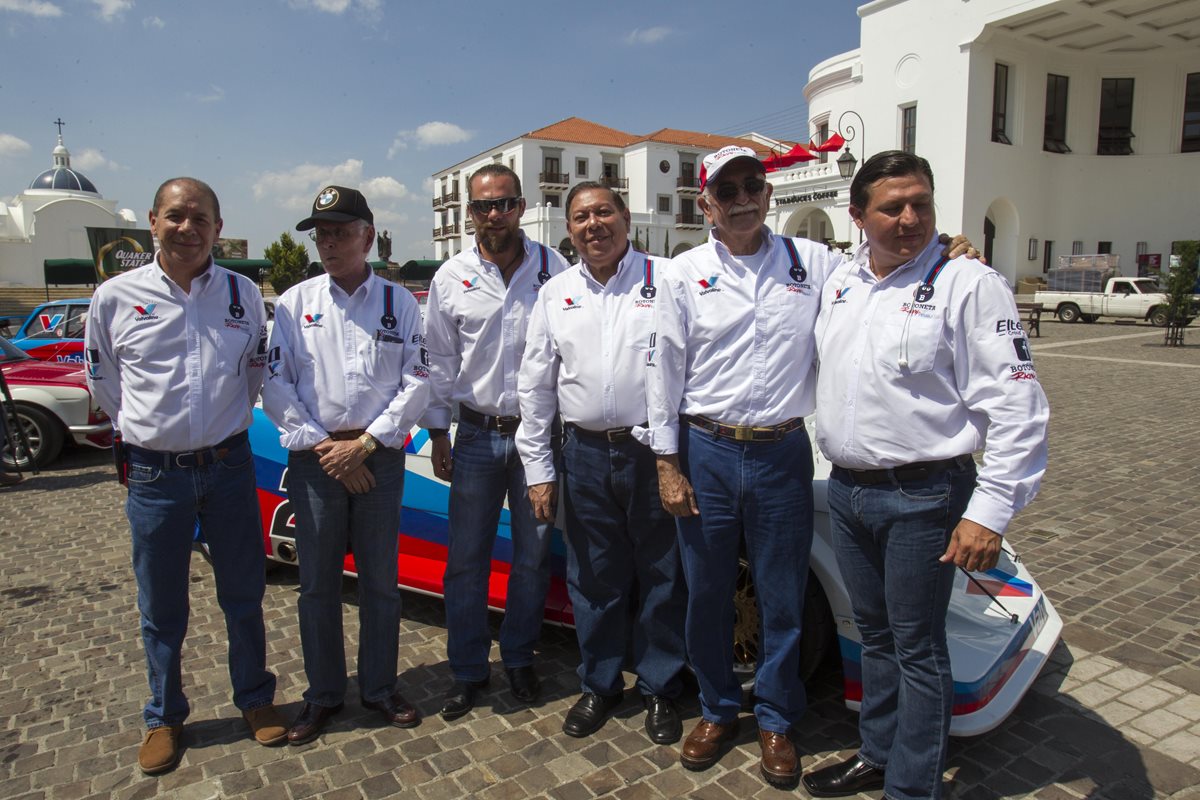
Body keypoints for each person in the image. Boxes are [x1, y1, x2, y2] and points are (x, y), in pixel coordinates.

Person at [802, 151, 1049, 800]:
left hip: (925, 496)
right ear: (857, 216)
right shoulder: (841, 282)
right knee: (875, 635)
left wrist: (987, 513)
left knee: (917, 648)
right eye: (892, 207)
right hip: (851, 491)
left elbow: (1019, 409)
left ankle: (912, 788)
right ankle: (877, 754)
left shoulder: (968, 283)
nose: (910, 218)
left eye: (922, 204)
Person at [646, 145, 843, 788]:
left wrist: (947, 252)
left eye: (752, 184)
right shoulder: (683, 273)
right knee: (706, 593)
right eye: (726, 188)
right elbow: (664, 371)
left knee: (782, 592)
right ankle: (717, 707)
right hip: (708, 451)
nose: (742, 197)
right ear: (706, 202)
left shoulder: (811, 262)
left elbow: (882, 271)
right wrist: (667, 464)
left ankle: (778, 719)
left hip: (783, 449)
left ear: (767, 190)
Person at [84, 177, 285, 775]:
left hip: (227, 467)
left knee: (244, 595)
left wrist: (212, 429)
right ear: (153, 221)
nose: (188, 227)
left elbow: (254, 372)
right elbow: (103, 381)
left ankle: (254, 698)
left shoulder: (243, 294)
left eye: (201, 218)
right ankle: (164, 717)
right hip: (155, 477)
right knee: (162, 605)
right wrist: (151, 432)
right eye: (176, 216)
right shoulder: (116, 298)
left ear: (218, 228)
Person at [516, 182, 687, 744]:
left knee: (663, 575)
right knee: (593, 576)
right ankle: (600, 683)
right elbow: (536, 385)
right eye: (582, 217)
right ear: (569, 230)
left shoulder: (668, 280)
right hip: (584, 453)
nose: (594, 225)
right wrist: (539, 468)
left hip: (652, 450)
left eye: (604, 212)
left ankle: (660, 687)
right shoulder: (555, 293)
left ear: (626, 217)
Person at [262, 185, 430, 744]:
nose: (329, 242)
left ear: (368, 233)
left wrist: (367, 445)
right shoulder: (294, 302)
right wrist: (327, 450)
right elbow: (275, 383)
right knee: (317, 586)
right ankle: (323, 695)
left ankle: (380, 688)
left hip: (378, 460)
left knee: (381, 582)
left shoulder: (399, 304)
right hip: (315, 460)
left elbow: (417, 381)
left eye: (339, 231)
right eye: (321, 233)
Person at [421, 164, 569, 721]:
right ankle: (466, 670)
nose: (494, 215)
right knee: (466, 560)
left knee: (531, 558)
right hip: (478, 438)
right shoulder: (449, 278)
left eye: (504, 204)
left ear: (522, 205)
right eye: (483, 207)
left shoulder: (555, 270)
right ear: (468, 213)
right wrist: (439, 432)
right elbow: (438, 361)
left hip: (539, 440)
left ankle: (519, 658)